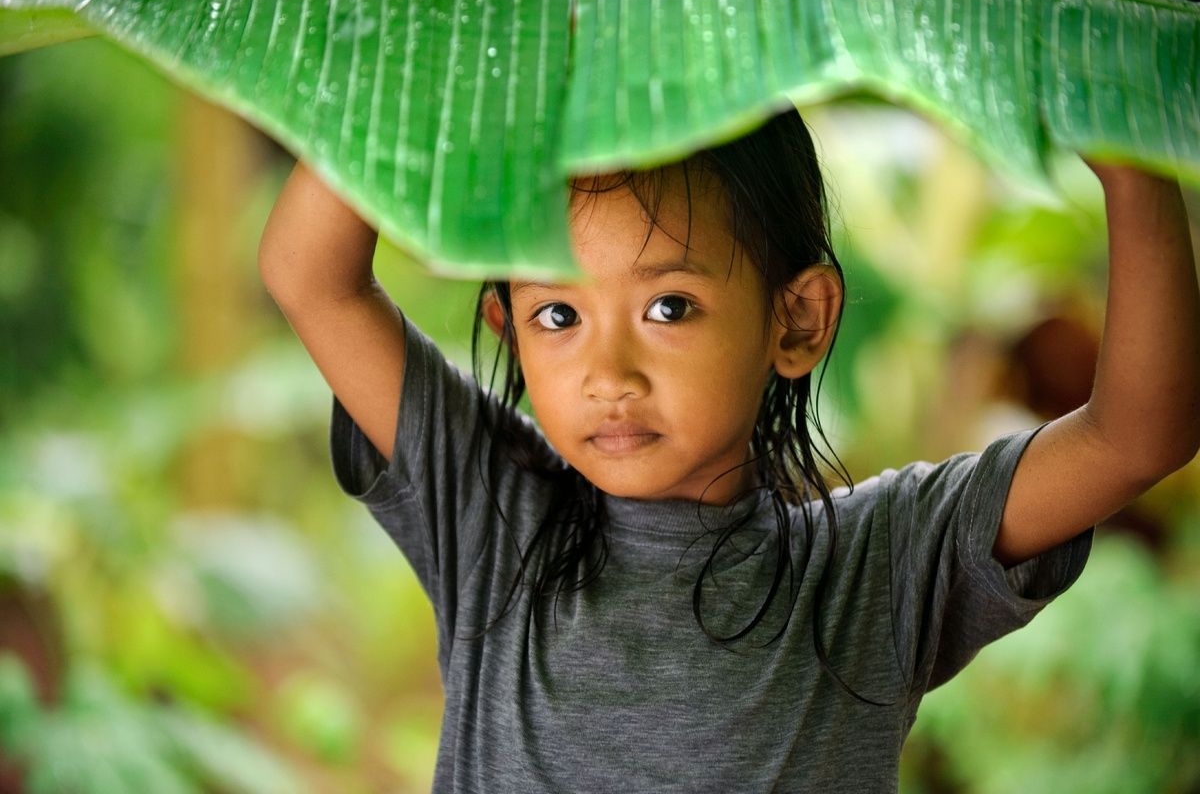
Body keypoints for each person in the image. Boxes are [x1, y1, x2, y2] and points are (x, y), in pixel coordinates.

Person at [257, 106, 1199, 793]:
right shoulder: (491, 512)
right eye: (559, 315)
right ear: (508, 326)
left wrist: (1130, 164)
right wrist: (417, 72)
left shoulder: (877, 567)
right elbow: (310, 276)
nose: (608, 374)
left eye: (669, 307)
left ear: (797, 319)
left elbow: (1135, 434)